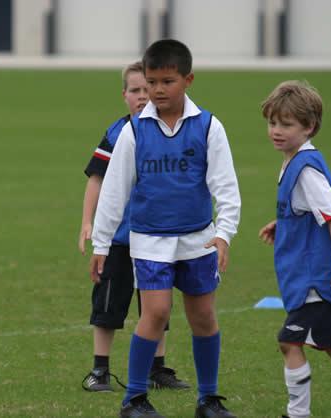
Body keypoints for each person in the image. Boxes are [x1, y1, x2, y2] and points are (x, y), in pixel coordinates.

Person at [90, 40, 241, 418]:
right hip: (149, 240)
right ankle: (134, 400)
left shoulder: (208, 126)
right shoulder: (134, 131)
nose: (157, 90)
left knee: (203, 316)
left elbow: (226, 187)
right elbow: (114, 191)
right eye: (151, 82)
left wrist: (224, 233)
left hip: (198, 239)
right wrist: (101, 243)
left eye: (167, 82)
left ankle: (208, 400)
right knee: (155, 313)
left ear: (188, 80)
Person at [258, 80, 331, 418]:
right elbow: (310, 210)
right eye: (272, 122)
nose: (276, 131)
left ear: (309, 127)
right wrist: (285, 223)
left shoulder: (305, 169)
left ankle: (298, 414)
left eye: (286, 124)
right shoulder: (296, 160)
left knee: (289, 342)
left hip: (319, 280)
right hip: (323, 277)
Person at [79, 61, 190, 392]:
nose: (142, 96)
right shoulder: (117, 133)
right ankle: (100, 370)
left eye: (147, 88)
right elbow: (96, 179)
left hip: (157, 237)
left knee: (157, 306)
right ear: (124, 94)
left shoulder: (170, 131)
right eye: (135, 90)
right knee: (108, 305)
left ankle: (157, 370)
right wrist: (87, 222)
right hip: (118, 240)